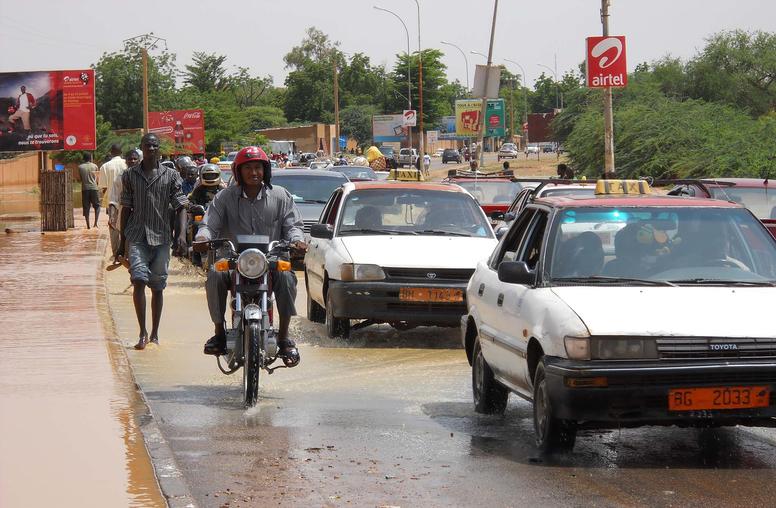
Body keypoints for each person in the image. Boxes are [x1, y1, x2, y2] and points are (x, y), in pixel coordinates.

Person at [193, 146, 304, 365]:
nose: (254, 173)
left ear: (266, 171)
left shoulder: (281, 196)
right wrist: (202, 238)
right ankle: (219, 333)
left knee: (287, 278)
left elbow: (294, 226)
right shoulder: (224, 197)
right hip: (234, 259)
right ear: (238, 172)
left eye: (258, 168)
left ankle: (284, 337)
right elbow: (209, 223)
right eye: (249, 168)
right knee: (215, 274)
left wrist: (297, 240)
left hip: (271, 258)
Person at [118, 133, 188, 350]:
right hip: (137, 236)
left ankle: (155, 334)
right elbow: (126, 209)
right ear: (141, 148)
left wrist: (182, 236)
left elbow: (181, 206)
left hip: (161, 238)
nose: (150, 149)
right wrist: (122, 243)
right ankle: (142, 333)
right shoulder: (129, 175)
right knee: (138, 280)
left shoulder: (171, 176)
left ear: (159, 149)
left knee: (157, 287)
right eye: (147, 145)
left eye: (154, 146)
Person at [78, 152, 100, 229]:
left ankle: (88, 225)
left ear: (83, 158)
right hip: (94, 188)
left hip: (85, 189)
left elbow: (81, 178)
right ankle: (95, 223)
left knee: (86, 207)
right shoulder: (95, 166)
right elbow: (97, 178)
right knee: (97, 206)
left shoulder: (80, 167)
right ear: (90, 158)